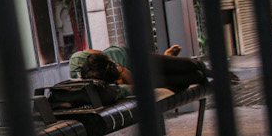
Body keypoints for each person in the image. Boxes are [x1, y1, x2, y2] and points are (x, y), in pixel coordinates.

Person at [70, 43, 212, 92]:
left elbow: (100, 55)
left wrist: (118, 68)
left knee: (191, 65)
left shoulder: (77, 61)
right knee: (195, 76)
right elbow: (132, 85)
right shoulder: (100, 89)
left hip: (130, 58)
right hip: (139, 78)